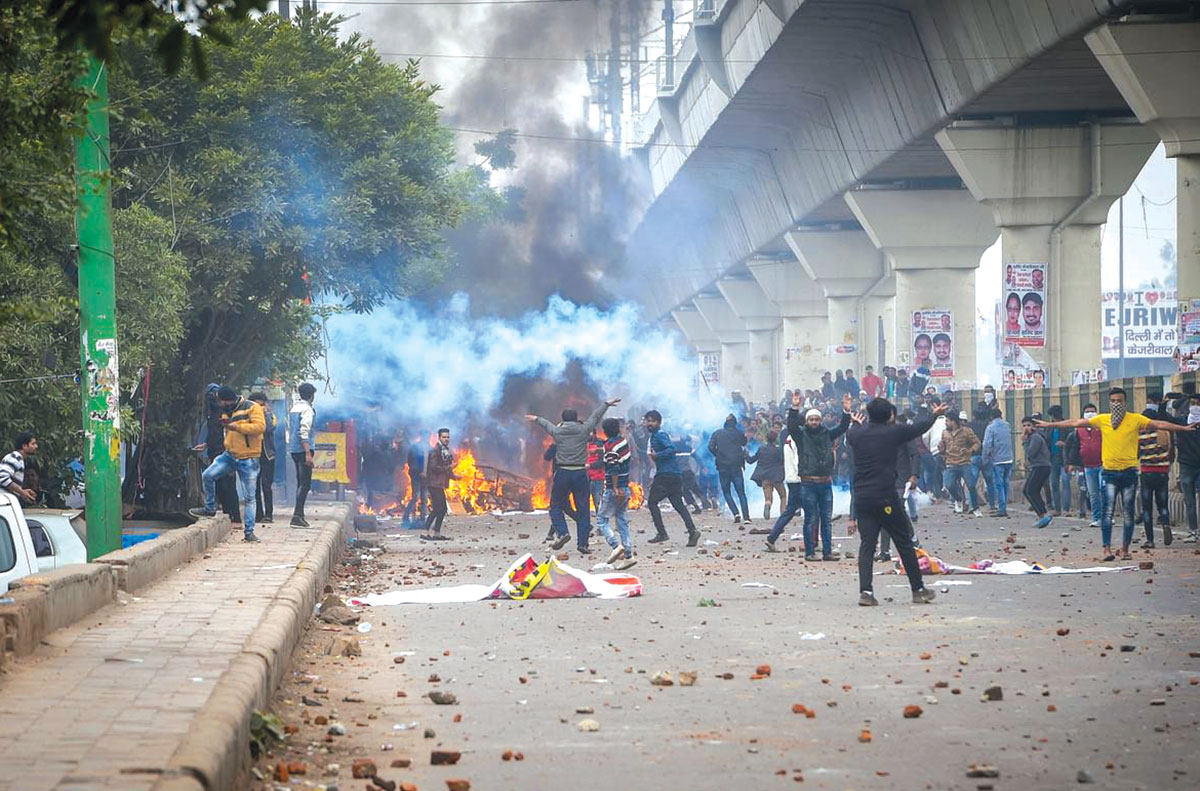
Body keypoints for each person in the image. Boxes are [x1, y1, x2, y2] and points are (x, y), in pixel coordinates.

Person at [1036, 387, 1198, 560]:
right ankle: (1106, 549)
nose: (1116, 404)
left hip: (1129, 473)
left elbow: (1159, 424)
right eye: (1113, 401)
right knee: (1108, 512)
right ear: (1109, 402)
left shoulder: (1135, 419)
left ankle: (1125, 549)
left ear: (1125, 402)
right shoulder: (1103, 420)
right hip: (1109, 473)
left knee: (1128, 513)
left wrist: (1184, 428)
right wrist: (1050, 424)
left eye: (1119, 401)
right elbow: (1076, 423)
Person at [847, 397, 946, 606]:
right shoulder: (894, 432)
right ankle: (918, 589)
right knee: (903, 542)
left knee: (867, 545)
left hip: (862, 498)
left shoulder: (856, 433)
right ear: (890, 415)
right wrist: (935, 414)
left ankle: (866, 592)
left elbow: (852, 432)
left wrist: (855, 422)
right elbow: (919, 427)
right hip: (886, 496)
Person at [528, 398, 619, 553]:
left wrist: (536, 418)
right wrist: (606, 404)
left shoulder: (557, 431)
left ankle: (562, 532)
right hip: (580, 472)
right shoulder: (584, 430)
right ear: (576, 419)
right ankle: (583, 544)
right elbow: (595, 417)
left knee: (556, 506)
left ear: (562, 419)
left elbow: (546, 424)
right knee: (583, 508)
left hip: (563, 472)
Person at [772, 391, 851, 560]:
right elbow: (792, 426)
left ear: (820, 421)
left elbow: (843, 428)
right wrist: (794, 407)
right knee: (810, 519)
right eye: (811, 420)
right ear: (807, 421)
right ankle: (810, 553)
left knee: (826, 520)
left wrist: (846, 411)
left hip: (825, 483)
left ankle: (827, 552)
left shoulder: (827, 434)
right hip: (808, 484)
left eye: (816, 419)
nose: (814, 422)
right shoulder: (801, 436)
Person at [190, 386, 266, 542]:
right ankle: (210, 508)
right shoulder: (227, 411)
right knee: (208, 475)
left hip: (249, 458)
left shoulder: (252, 407)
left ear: (227, 400)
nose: (219, 404)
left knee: (250, 497)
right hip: (229, 455)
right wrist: (207, 444)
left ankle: (249, 532)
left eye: (220, 401)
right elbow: (223, 432)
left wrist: (235, 426)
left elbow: (260, 427)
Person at [643, 410, 701, 547]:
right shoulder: (656, 435)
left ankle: (662, 533)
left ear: (659, 422)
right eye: (648, 421)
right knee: (678, 505)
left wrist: (657, 456)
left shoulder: (659, 435)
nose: (649, 424)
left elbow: (671, 449)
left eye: (652, 421)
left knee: (652, 502)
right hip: (673, 474)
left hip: (666, 475)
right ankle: (692, 531)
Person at [878, 407, 921, 562]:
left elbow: (915, 454)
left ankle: (913, 542)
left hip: (901, 478)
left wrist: (914, 475)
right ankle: (885, 551)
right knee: (886, 513)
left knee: (896, 512)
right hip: (883, 480)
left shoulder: (902, 432)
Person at [595, 417, 636, 570]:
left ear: (604, 432)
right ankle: (629, 556)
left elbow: (613, 467)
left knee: (601, 519)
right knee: (622, 521)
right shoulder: (623, 442)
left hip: (615, 488)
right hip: (625, 487)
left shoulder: (609, 446)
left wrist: (615, 487)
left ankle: (615, 546)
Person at [195, 382, 240, 522]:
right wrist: (206, 445)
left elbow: (229, 434)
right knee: (220, 486)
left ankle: (235, 518)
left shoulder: (227, 412)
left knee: (229, 486)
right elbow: (214, 433)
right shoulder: (212, 414)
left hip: (226, 453)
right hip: (214, 452)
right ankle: (227, 516)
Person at [1137, 401, 1173, 548]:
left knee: (1147, 508)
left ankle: (1150, 540)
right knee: (1162, 505)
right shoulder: (1165, 432)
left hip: (1146, 472)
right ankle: (1165, 524)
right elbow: (1171, 453)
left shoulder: (1141, 434)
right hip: (1162, 472)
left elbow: (1136, 454)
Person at [1064, 404, 1104, 527]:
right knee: (1093, 493)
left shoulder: (1102, 427)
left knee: (1104, 491)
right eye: (1087, 411)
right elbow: (1075, 447)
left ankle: (1107, 516)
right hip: (1087, 466)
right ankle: (1097, 518)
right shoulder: (1079, 430)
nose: (1090, 413)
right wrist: (1072, 463)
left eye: (1092, 411)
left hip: (1103, 464)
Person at [1168, 392, 1200, 543]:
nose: (1195, 407)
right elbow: (1164, 418)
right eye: (1192, 403)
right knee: (1189, 501)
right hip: (1187, 466)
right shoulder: (1182, 422)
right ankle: (1193, 531)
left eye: (1198, 404)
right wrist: (1166, 402)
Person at [708, 414, 750, 524]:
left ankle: (735, 513)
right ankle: (746, 517)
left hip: (723, 467)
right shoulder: (738, 433)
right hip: (736, 466)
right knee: (741, 493)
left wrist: (718, 454)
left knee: (726, 492)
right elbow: (744, 442)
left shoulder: (717, 433)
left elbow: (710, 447)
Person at [939, 411, 982, 517]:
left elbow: (977, 442)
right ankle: (958, 500)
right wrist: (941, 448)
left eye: (947, 421)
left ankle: (975, 508)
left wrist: (970, 450)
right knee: (949, 485)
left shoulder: (966, 431)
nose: (946, 423)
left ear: (953, 421)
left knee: (971, 485)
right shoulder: (944, 432)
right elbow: (943, 448)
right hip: (950, 463)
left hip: (964, 463)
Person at [287, 382, 316, 528]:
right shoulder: (307, 410)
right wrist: (308, 454)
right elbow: (303, 432)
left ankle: (300, 515)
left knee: (300, 483)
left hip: (293, 449)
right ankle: (297, 516)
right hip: (303, 449)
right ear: (312, 395)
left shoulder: (294, 408)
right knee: (305, 485)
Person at [248, 393, 277, 524]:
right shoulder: (248, 416)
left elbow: (270, 427)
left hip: (267, 454)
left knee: (266, 485)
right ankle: (258, 514)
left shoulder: (270, 415)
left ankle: (269, 514)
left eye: (261, 405)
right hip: (253, 453)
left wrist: (264, 413)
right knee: (254, 486)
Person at [1021, 416, 1053, 529]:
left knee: (1029, 490)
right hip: (1038, 466)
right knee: (1031, 490)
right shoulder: (1031, 437)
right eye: (1024, 426)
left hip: (1041, 466)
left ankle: (1042, 515)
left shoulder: (1035, 437)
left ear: (1034, 427)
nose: (1026, 428)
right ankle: (1042, 515)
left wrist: (1024, 441)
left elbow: (1030, 453)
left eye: (1029, 425)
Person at [423, 428, 455, 539]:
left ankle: (436, 532)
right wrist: (448, 468)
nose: (446, 439)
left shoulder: (445, 451)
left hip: (439, 483)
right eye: (444, 437)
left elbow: (447, 470)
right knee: (439, 508)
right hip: (433, 483)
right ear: (439, 438)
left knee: (440, 509)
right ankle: (426, 531)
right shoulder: (435, 451)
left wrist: (455, 477)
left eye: (448, 437)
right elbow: (434, 468)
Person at [982, 407, 1014, 517]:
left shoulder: (990, 428)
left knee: (999, 484)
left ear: (991, 417)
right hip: (1009, 458)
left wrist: (985, 458)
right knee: (1005, 483)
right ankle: (1004, 506)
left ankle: (1002, 508)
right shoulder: (1007, 425)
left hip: (997, 460)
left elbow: (987, 445)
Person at [747, 430, 785, 520]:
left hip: (764, 477)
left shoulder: (761, 449)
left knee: (768, 498)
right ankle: (783, 514)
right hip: (776, 477)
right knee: (783, 496)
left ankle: (767, 506)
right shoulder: (778, 450)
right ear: (776, 439)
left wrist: (746, 454)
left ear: (766, 439)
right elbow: (782, 461)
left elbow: (751, 460)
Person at [1044, 405, 1069, 517]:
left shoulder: (1067, 426)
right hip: (1053, 458)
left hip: (1065, 459)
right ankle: (1057, 508)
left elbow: (1074, 442)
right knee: (1054, 483)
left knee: (1065, 482)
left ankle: (1066, 509)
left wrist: (1065, 444)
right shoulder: (1050, 428)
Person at [0, 432, 38, 505]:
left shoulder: (18, 459)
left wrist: (22, 492)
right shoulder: (15, 457)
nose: (36, 446)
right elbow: (2, 477)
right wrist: (22, 492)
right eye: (33, 444)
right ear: (24, 446)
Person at [403, 431, 428, 528]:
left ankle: (422, 519)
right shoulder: (415, 448)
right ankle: (407, 516)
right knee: (416, 497)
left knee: (424, 498)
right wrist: (418, 471)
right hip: (416, 476)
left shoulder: (428, 448)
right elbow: (410, 461)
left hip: (425, 477)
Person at [586, 431, 606, 514]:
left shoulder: (600, 445)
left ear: (594, 433)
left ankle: (602, 524)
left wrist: (590, 466)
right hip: (585, 479)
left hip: (597, 478)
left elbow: (603, 462)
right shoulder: (581, 445)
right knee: (583, 503)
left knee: (598, 502)